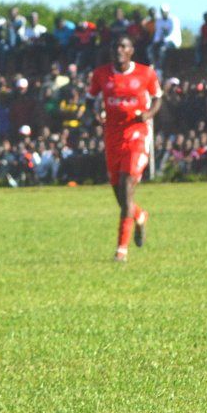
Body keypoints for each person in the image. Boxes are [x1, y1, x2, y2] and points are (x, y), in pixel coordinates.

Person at [88, 35, 161, 262]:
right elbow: (90, 98)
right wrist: (95, 114)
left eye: (123, 46)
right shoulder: (101, 74)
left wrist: (148, 114)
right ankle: (139, 216)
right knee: (120, 194)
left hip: (137, 134)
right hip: (113, 135)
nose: (119, 50)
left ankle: (121, 250)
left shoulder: (146, 73)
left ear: (131, 50)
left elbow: (157, 98)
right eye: (115, 47)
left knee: (127, 184)